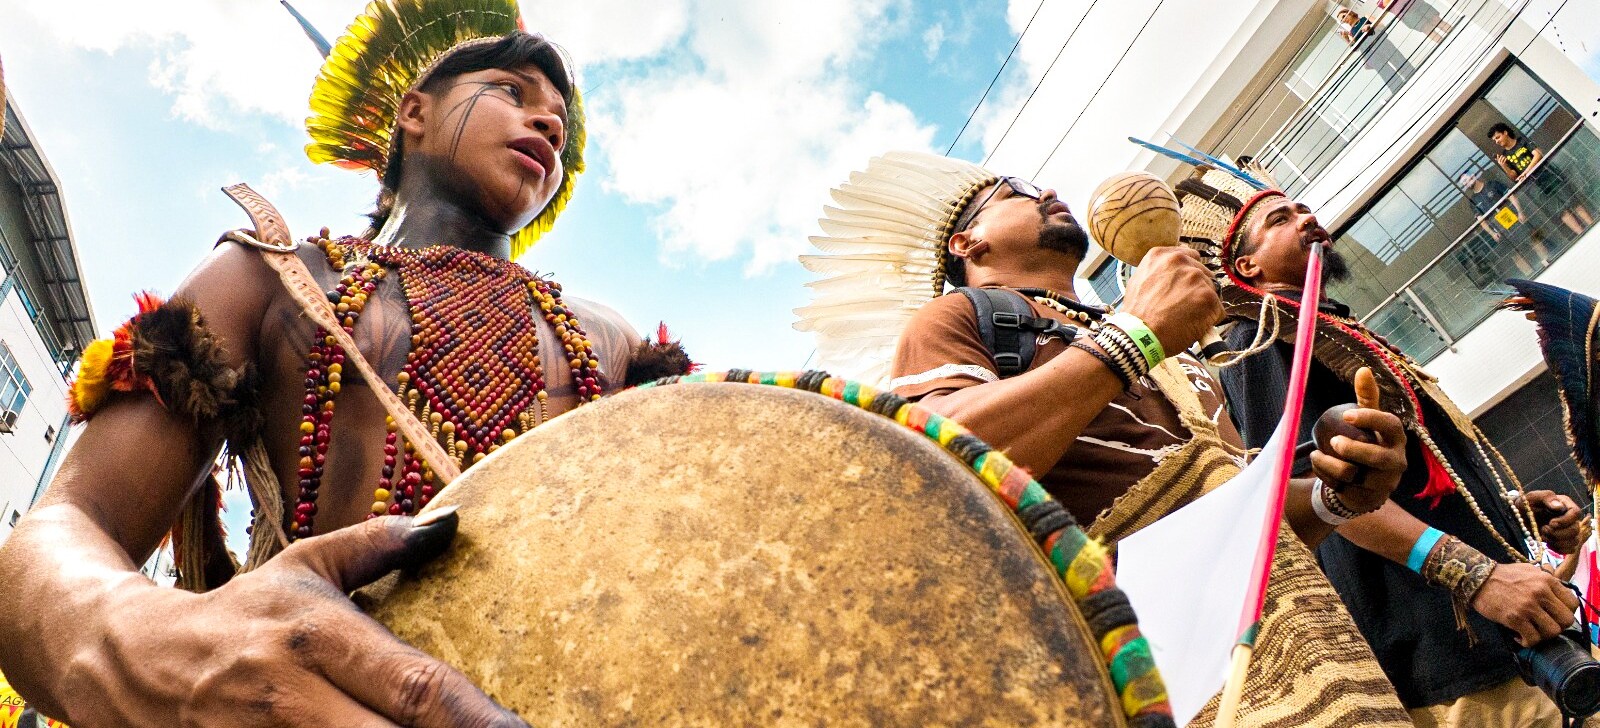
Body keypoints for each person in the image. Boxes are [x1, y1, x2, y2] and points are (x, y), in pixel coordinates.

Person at [0, 1, 689, 724]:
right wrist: (152, 642)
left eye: (559, 119)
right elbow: (63, 530)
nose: (548, 122)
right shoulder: (273, 277)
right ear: (414, 112)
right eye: (511, 91)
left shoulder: (611, 341)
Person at [796, 151, 1416, 726]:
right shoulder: (955, 318)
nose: (1048, 191)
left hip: (1318, 635)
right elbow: (936, 470)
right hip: (1169, 657)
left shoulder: (1172, 343)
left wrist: (1338, 494)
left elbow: (1246, 517)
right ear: (968, 242)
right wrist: (1133, 337)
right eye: (1017, 192)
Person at [1213, 174, 1583, 726]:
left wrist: (1514, 509)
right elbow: (1324, 494)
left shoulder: (1335, 328)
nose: (1306, 218)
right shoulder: (1263, 336)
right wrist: (1476, 577)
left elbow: (1418, 479)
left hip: (1525, 639)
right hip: (1454, 661)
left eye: (1304, 208)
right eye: (1280, 220)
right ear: (1248, 268)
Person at [1490, 122, 1595, 238]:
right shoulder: (1505, 155)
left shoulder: (1522, 141)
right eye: (1494, 140)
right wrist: (1504, 166)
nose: (1497, 141)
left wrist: (1526, 172)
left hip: (1546, 174)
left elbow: (1538, 154)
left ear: (1505, 132)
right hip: (1533, 185)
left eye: (1498, 137)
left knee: (1571, 200)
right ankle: (1582, 234)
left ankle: (1593, 226)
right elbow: (1514, 176)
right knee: (1560, 210)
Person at [1458, 170, 1546, 276]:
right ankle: (1530, 275)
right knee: (1515, 255)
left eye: (1467, 179)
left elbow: (1511, 196)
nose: (1466, 183)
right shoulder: (1473, 201)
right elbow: (1482, 221)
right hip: (1499, 228)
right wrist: (1492, 233)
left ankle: (1547, 261)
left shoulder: (1492, 184)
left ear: (1473, 176)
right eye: (1464, 183)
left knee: (1532, 240)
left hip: (1513, 218)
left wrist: (1519, 212)